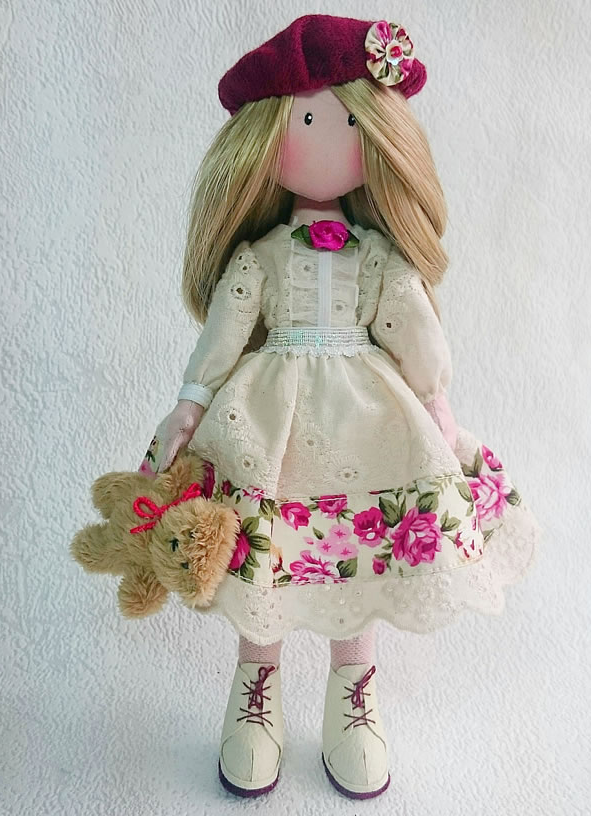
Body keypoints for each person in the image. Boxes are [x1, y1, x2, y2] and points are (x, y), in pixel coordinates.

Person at [138, 14, 541, 800]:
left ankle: (353, 693)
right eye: (308, 121)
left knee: (358, 555)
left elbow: (414, 330)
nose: (332, 136)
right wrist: (190, 404)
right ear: (264, 138)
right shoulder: (258, 259)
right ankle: (255, 690)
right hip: (268, 425)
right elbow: (222, 339)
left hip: (368, 424)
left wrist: (437, 404)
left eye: (354, 122)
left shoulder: (380, 259)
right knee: (267, 556)